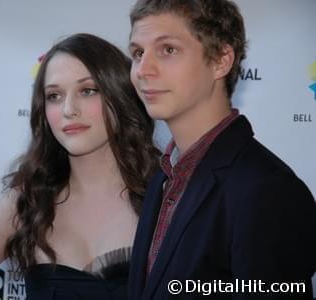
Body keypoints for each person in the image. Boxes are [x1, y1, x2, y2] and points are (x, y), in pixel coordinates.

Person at [0, 33, 160, 300]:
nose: (69, 109)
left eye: (88, 91)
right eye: (54, 96)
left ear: (120, 96)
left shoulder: (168, 199)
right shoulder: (27, 202)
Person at [126, 0, 316, 299]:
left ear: (221, 60)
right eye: (138, 53)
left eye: (168, 50)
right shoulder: (163, 176)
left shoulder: (268, 191)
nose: (142, 70)